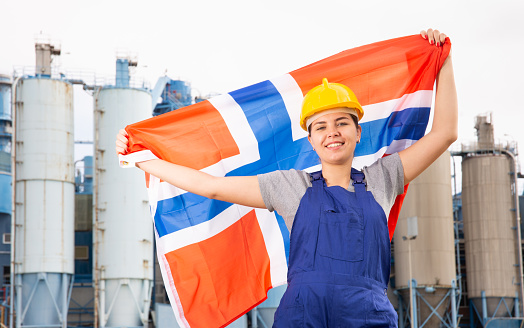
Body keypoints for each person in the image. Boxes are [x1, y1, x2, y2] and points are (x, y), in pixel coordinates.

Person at [116, 29, 456, 327]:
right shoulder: (291, 187)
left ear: (357, 131)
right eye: (320, 127)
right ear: (310, 140)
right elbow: (212, 186)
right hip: (302, 317)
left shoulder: (383, 178)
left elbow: (444, 134)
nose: (331, 133)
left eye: (341, 123)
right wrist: (143, 160)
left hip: (369, 317)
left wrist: (443, 60)